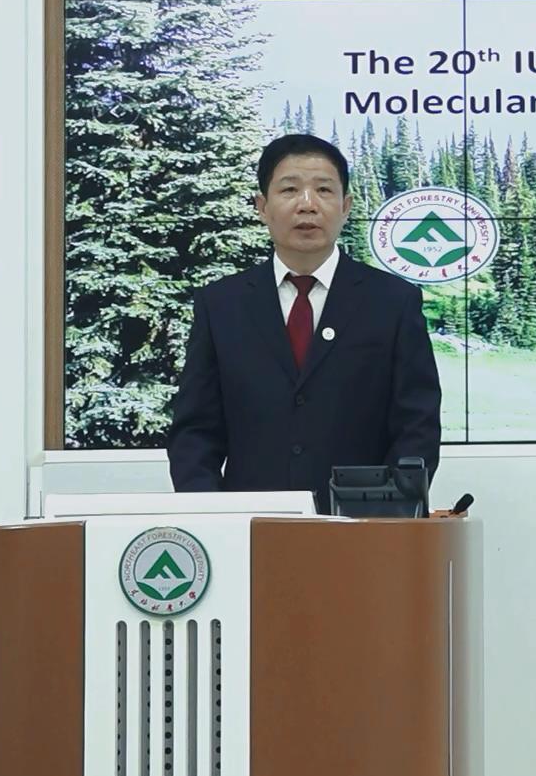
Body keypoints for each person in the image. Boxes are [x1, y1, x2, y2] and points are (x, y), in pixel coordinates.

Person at [166, 134, 440, 512]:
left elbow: (417, 427)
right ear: (262, 207)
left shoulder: (393, 301)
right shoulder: (221, 304)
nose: (307, 205)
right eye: (289, 189)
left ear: (345, 207)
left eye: (324, 190)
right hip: (250, 526)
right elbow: (195, 433)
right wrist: (213, 516)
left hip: (362, 528)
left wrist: (386, 514)